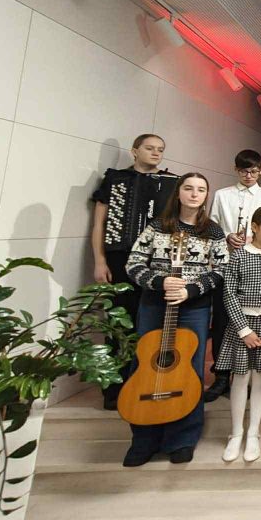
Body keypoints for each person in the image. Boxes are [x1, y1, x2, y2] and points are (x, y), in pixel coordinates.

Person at [123, 172, 228, 466]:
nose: (194, 194)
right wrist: (160, 282)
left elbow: (222, 269)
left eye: (201, 190)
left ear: (206, 195)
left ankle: (182, 438)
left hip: (193, 307)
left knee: (188, 369)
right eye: (189, 188)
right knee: (146, 365)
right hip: (155, 305)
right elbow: (133, 263)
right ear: (178, 192)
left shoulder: (213, 231)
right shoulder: (157, 226)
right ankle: (143, 438)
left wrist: (191, 290)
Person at [90, 133, 178, 410]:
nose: (156, 153)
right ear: (135, 151)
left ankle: (144, 382)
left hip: (155, 264)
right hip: (120, 257)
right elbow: (99, 224)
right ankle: (114, 388)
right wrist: (99, 260)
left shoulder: (171, 183)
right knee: (119, 321)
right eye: (150, 148)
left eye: (160, 149)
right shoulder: (116, 179)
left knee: (151, 323)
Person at [206, 149, 261, 402]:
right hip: (228, 263)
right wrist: (227, 237)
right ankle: (220, 376)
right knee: (222, 320)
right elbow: (211, 227)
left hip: (257, 266)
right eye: (243, 171)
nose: (249, 176)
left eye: (253, 171)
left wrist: (256, 240)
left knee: (254, 320)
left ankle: (246, 376)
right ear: (235, 170)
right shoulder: (222, 195)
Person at [214, 206, 261, 463]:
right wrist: (243, 330)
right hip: (242, 324)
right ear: (255, 227)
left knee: (260, 376)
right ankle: (236, 433)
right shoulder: (238, 256)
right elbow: (229, 294)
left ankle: (253, 433)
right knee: (240, 377)